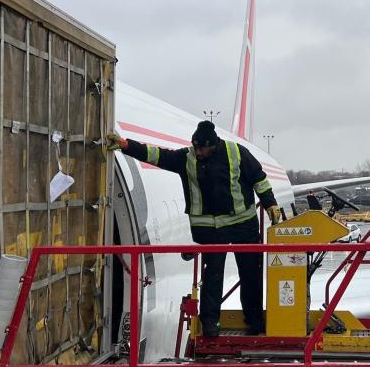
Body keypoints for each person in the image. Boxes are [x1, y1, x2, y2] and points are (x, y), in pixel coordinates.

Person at [107, 120, 281, 337]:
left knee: (249, 273)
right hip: (211, 230)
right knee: (213, 275)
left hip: (242, 224)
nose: (198, 152)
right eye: (195, 147)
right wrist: (126, 145)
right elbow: (157, 155)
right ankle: (210, 323)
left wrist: (270, 203)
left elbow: (259, 179)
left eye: (202, 148)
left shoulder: (236, 153)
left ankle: (254, 320)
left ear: (213, 144)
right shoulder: (187, 158)